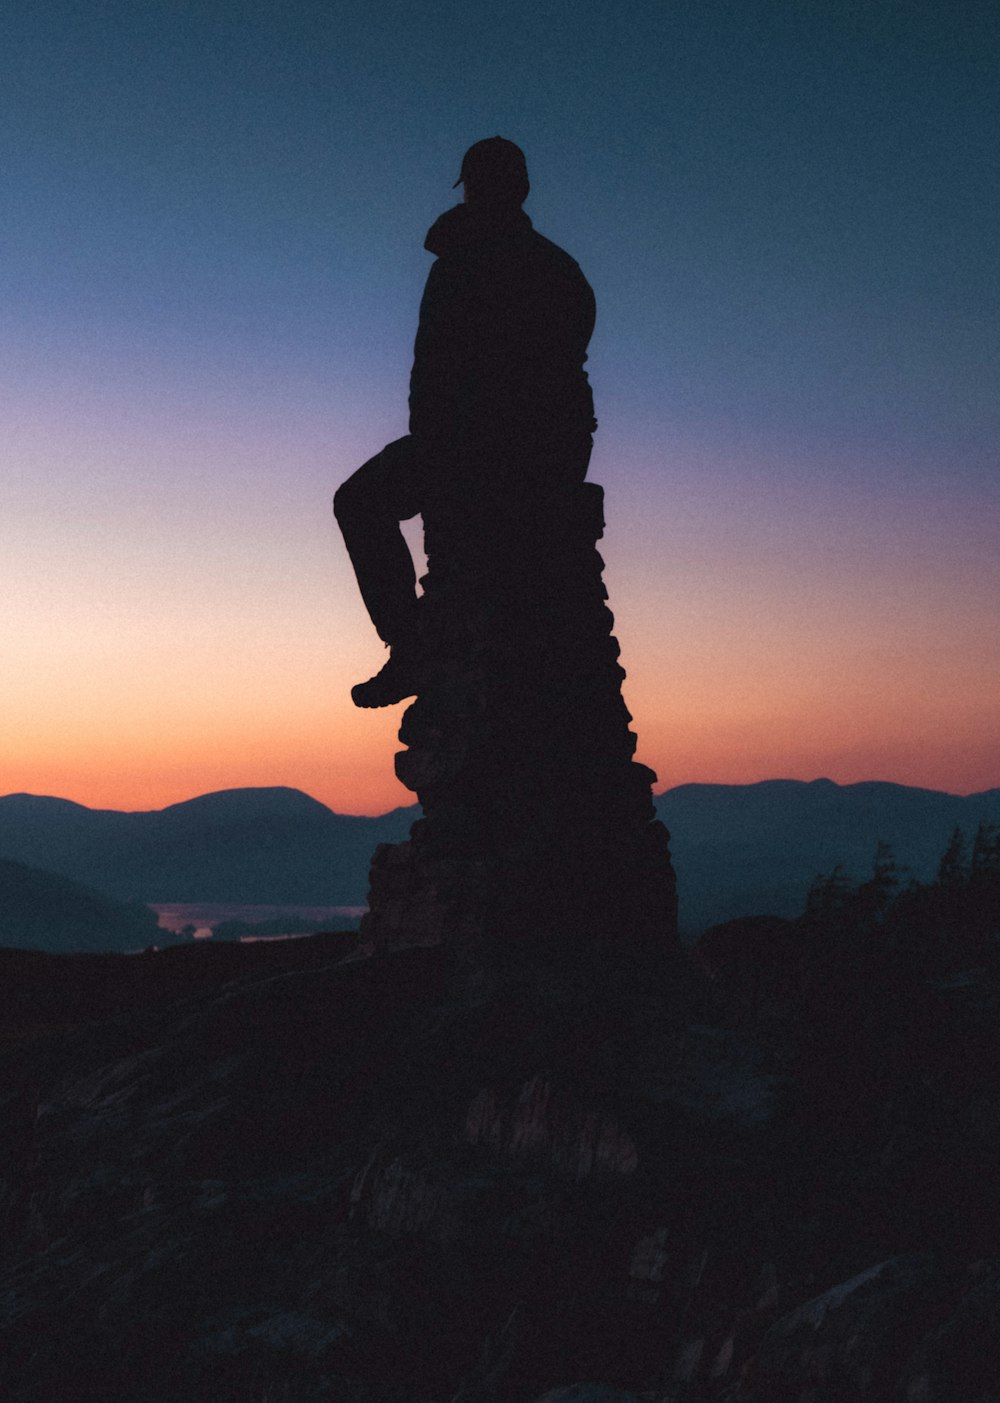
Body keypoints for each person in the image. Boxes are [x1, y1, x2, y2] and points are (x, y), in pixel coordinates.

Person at [334, 136, 597, 708]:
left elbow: (442, 369)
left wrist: (442, 445)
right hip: (551, 449)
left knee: (358, 502)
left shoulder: (464, 262)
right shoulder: (561, 269)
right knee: (366, 500)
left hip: (481, 446)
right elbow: (570, 367)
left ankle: (410, 648)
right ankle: (415, 649)